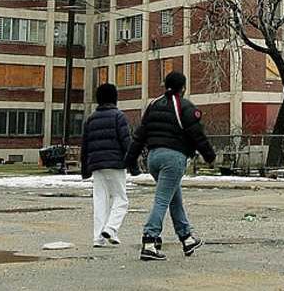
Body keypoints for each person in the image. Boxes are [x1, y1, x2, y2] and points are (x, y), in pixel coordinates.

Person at [124, 71, 216, 261]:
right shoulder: (185, 106)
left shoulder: (153, 105)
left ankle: (186, 237)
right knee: (162, 199)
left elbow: (140, 134)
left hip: (153, 158)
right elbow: (196, 134)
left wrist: (131, 160)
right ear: (183, 87)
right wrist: (209, 156)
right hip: (173, 158)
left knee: (174, 198)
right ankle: (150, 240)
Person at [81, 83, 132, 248]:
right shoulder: (119, 116)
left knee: (100, 200)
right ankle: (111, 228)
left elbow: (85, 146)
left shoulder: (91, 119)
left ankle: (98, 238)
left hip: (96, 164)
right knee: (121, 199)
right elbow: (126, 142)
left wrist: (85, 170)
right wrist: (134, 164)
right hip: (115, 163)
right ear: (114, 98)